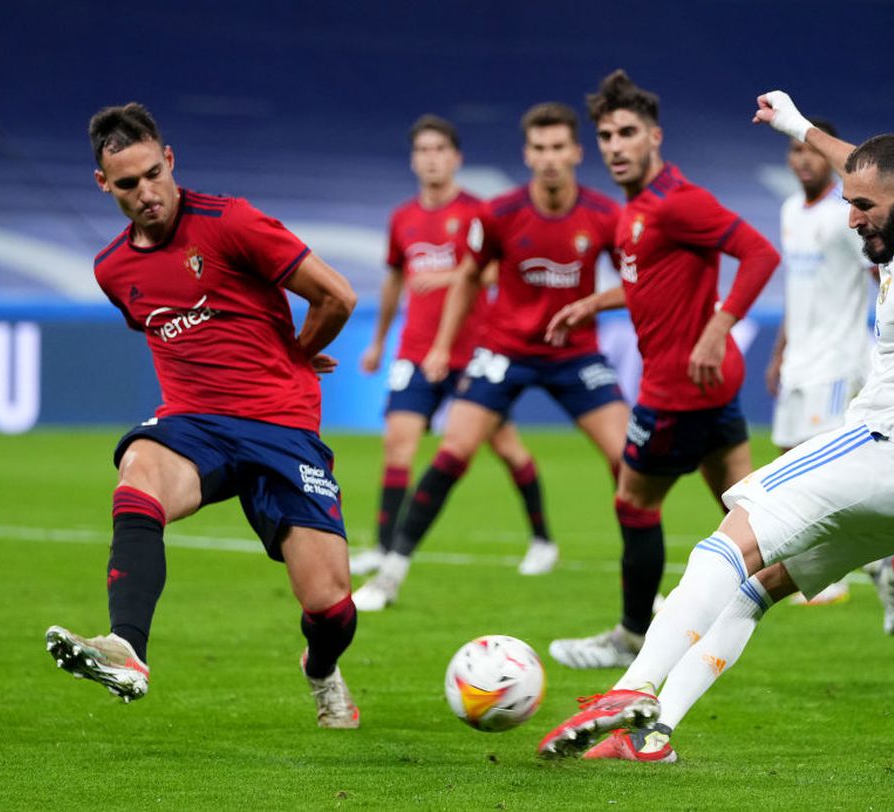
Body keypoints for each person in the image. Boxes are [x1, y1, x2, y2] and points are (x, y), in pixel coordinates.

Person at [535, 90, 894, 763]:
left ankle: (630, 688)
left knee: (729, 536)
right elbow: (859, 168)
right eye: (849, 201)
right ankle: (650, 736)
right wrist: (799, 125)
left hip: (886, 449)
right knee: (757, 588)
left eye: (863, 208)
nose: (851, 216)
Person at [44, 103, 363, 729]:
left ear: (169, 160)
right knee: (138, 467)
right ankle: (126, 646)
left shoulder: (232, 222)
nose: (145, 193)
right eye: (127, 184)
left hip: (281, 426)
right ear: (103, 185)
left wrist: (294, 355)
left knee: (329, 604)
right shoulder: (112, 269)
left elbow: (338, 295)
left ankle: (321, 670)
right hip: (195, 424)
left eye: (151, 174)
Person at [543, 71, 780, 670]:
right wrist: (594, 302)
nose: (615, 146)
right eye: (605, 136)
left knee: (633, 503)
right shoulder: (636, 211)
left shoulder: (679, 202)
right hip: (712, 384)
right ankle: (767, 597)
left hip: (676, 390)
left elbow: (760, 253)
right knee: (746, 516)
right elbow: (649, 282)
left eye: (627, 133)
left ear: (655, 137)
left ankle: (630, 635)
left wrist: (717, 326)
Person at [352, 102, 629, 611]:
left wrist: (594, 303)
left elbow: (637, 282)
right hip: (504, 349)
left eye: (557, 148)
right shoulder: (498, 213)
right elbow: (467, 281)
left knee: (627, 459)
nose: (548, 158)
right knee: (451, 452)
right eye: (539, 148)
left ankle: (641, 592)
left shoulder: (605, 215)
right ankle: (389, 576)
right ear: (527, 153)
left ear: (575, 152)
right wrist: (440, 344)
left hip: (575, 352)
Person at [355, 115, 554, 580]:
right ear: (413, 160)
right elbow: (395, 281)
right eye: (423, 151)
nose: (431, 159)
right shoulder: (402, 217)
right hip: (415, 351)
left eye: (439, 150)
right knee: (397, 445)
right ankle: (385, 549)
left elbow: (493, 271)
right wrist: (379, 341)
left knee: (506, 448)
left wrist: (447, 277)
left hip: (473, 352)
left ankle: (543, 540)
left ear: (456, 158)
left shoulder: (478, 213)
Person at [765, 116, 894, 627]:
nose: (801, 160)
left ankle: (830, 577)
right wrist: (779, 351)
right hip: (800, 364)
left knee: (816, 476)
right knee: (791, 471)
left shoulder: (847, 215)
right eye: (792, 152)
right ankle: (879, 560)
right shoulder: (791, 211)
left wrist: (891, 346)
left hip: (837, 363)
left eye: (808, 151)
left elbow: (884, 273)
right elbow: (796, 290)